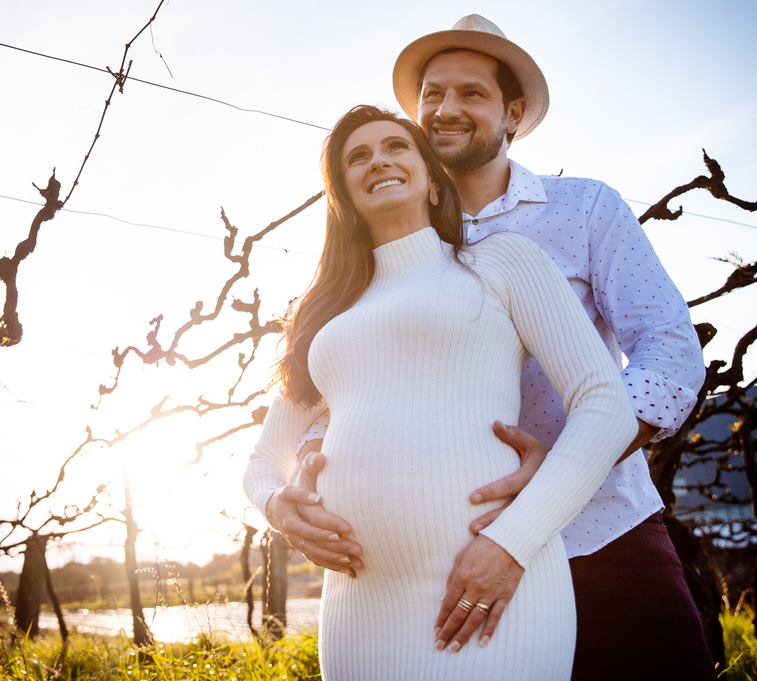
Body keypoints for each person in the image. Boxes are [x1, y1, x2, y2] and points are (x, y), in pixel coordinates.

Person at [266, 15, 715, 680]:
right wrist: (307, 474)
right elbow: (339, 397)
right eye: (433, 95)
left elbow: (670, 351)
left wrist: (565, 464)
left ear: (514, 112)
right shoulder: (381, 259)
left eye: (471, 94)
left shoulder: (583, 209)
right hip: (442, 566)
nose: (447, 109)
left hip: (603, 536)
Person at [244, 103, 637, 680]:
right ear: (345, 197)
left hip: (493, 577)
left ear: (432, 178)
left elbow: (605, 406)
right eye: (358, 157)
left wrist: (511, 543)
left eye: (396, 147)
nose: (378, 160)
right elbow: (261, 462)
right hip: (359, 601)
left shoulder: (500, 263)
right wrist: (279, 508)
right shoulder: (321, 318)